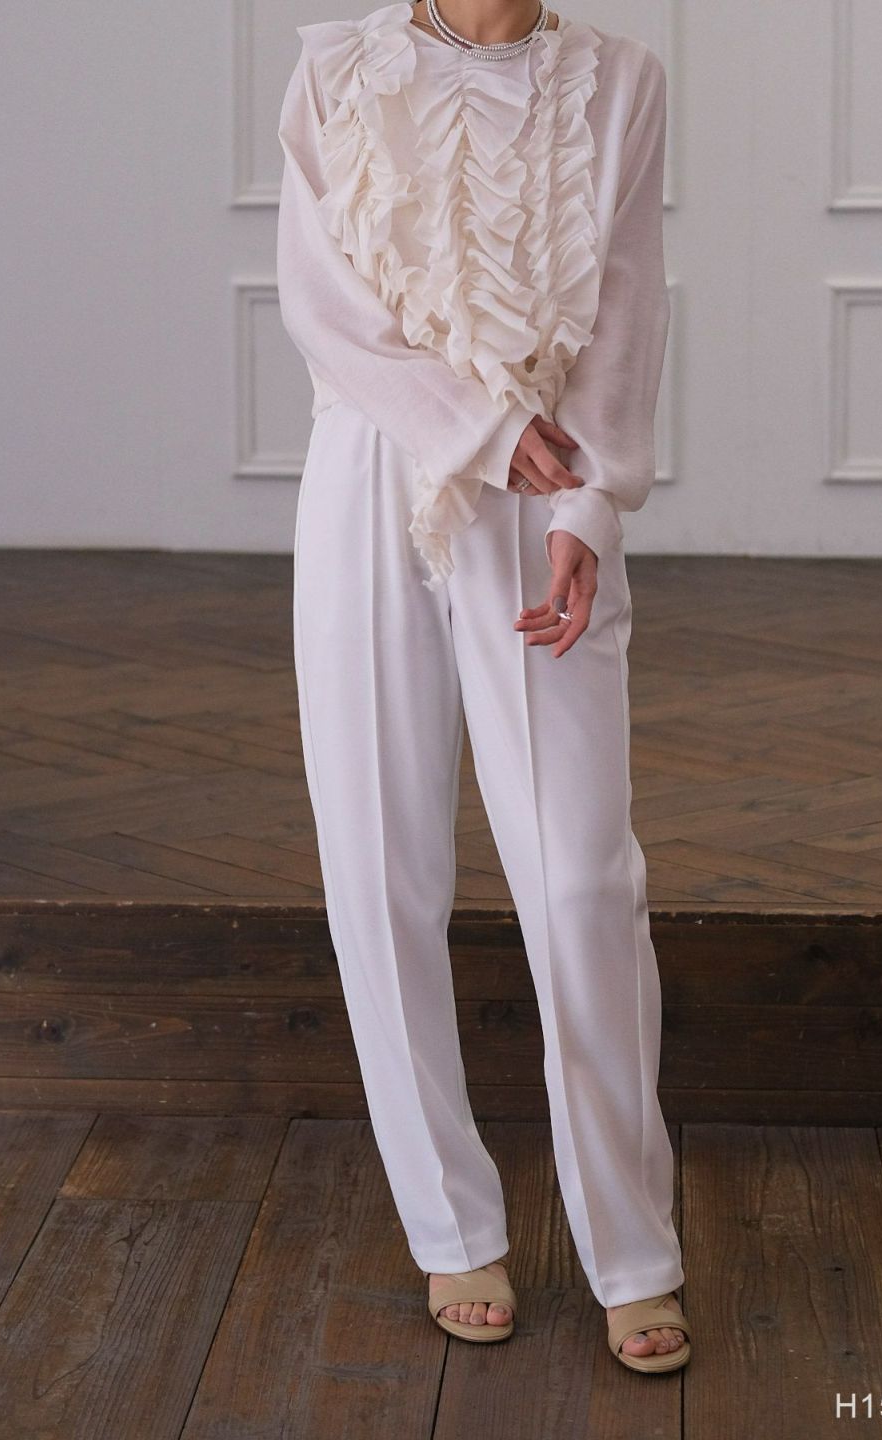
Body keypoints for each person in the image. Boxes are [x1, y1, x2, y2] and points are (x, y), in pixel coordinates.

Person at [276, 0, 690, 1374]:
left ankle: (633, 1244)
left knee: (581, 881)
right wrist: (478, 426)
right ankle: (451, 1226)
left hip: (546, 485)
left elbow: (625, 310)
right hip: (373, 474)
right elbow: (321, 307)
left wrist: (592, 506)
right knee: (379, 869)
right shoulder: (337, 71)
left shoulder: (621, 83)